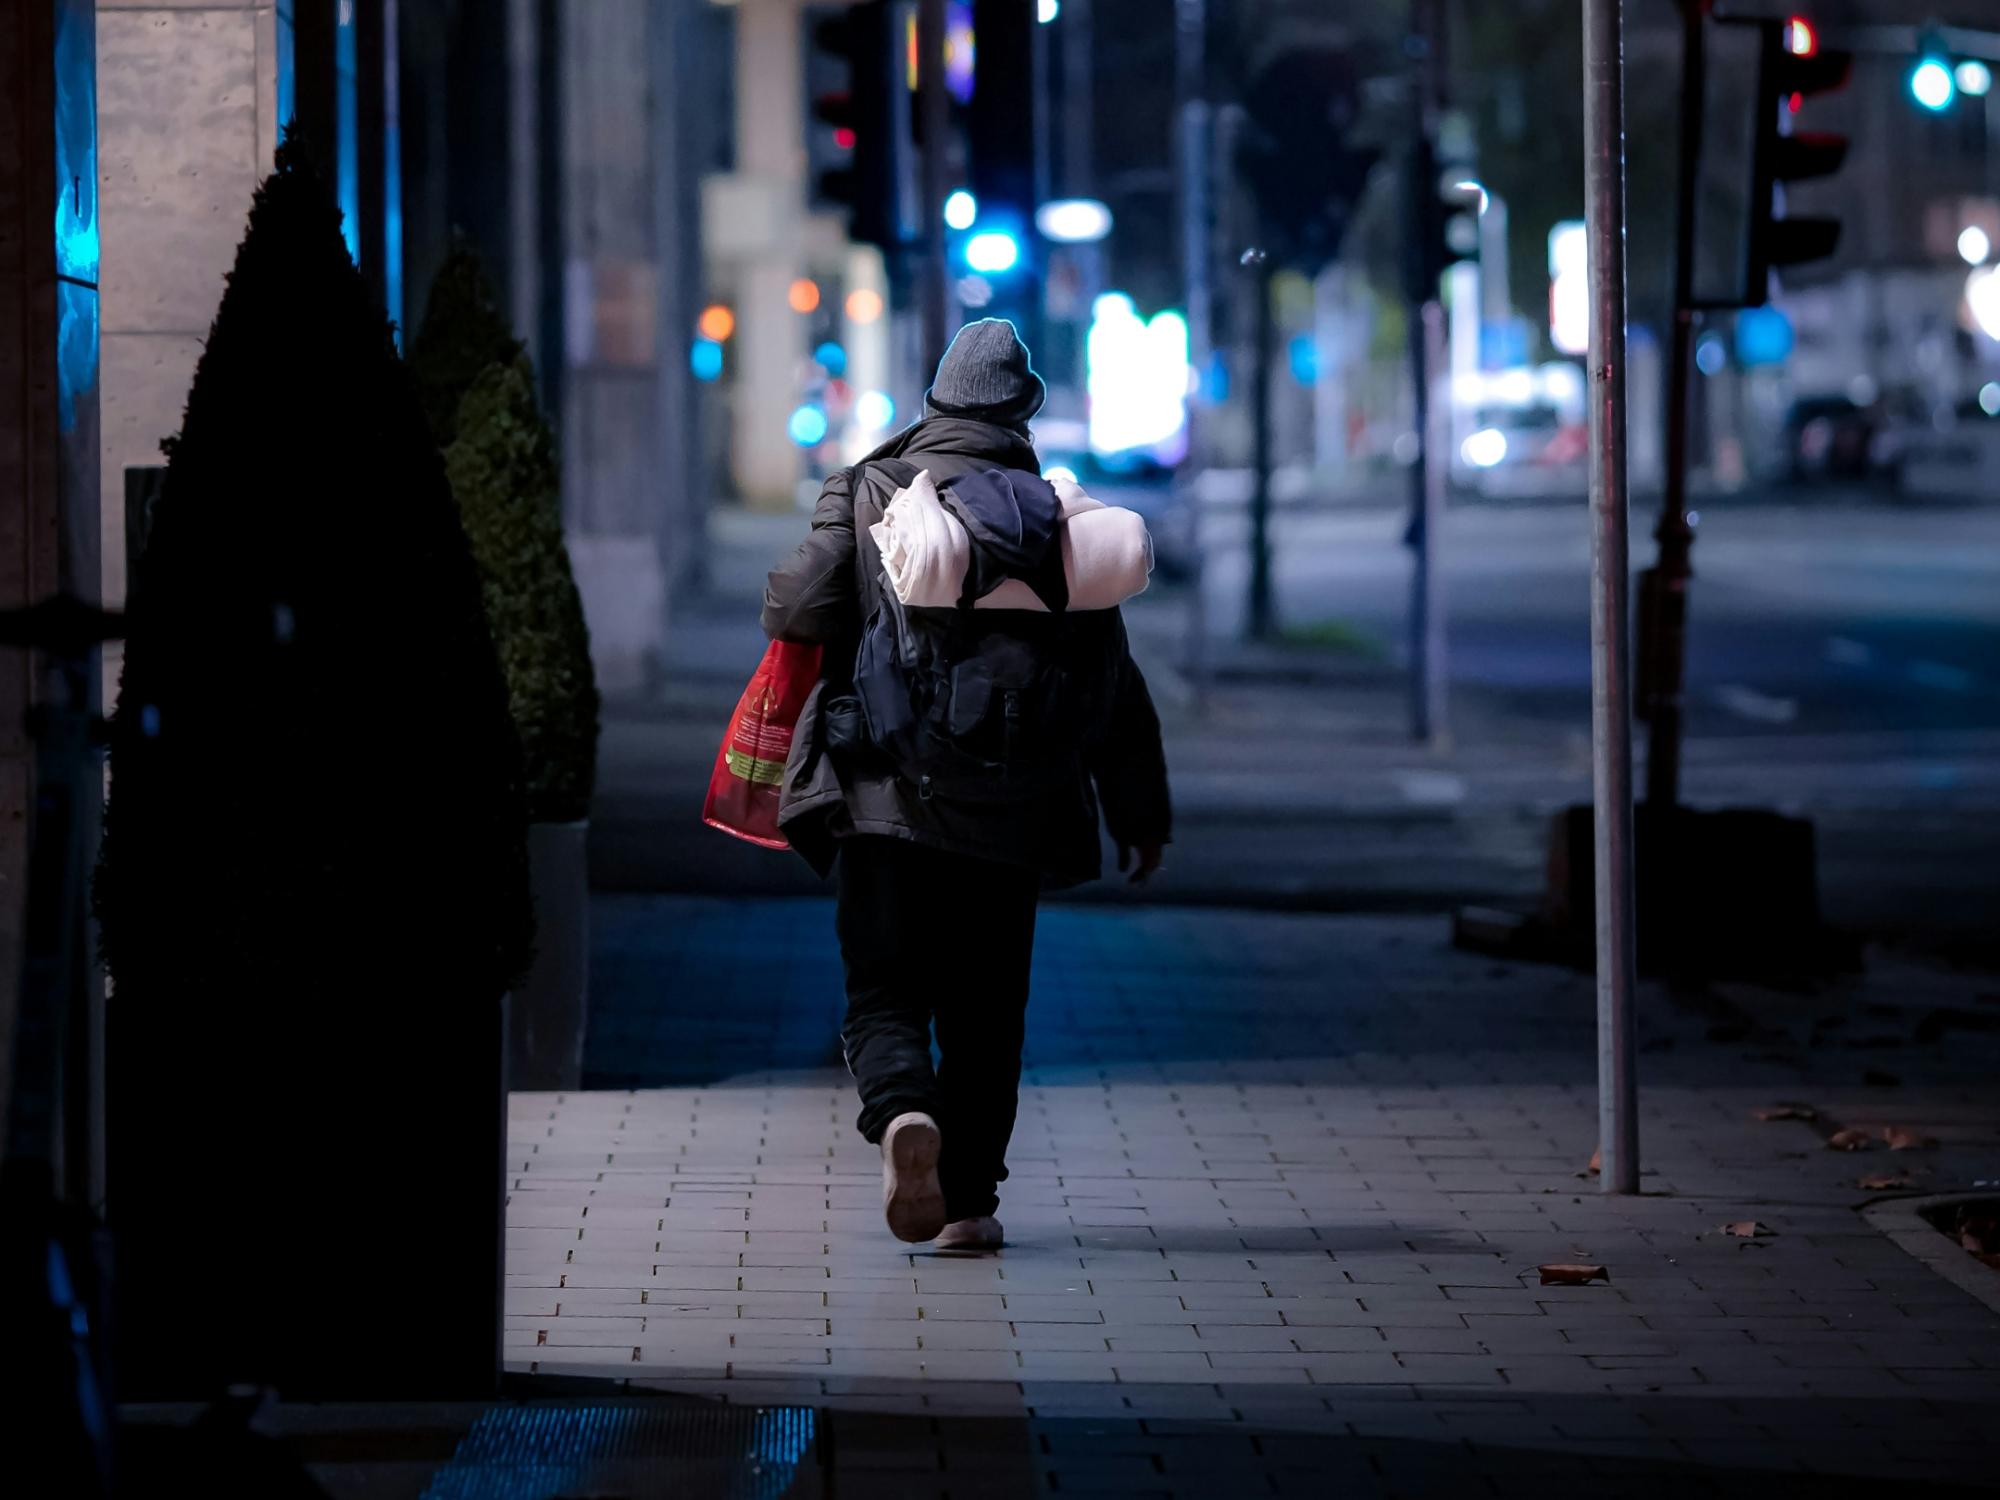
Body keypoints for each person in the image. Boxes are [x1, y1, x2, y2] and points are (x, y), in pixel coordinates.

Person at [761, 318, 1172, 1252]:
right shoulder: (1058, 520)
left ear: (934, 404)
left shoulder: (873, 490)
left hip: (886, 793)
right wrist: (1140, 812)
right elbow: (1114, 681)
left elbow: (794, 604)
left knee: (885, 983)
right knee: (991, 1007)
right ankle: (969, 1202)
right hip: (1018, 808)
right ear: (1024, 411)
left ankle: (905, 1109)